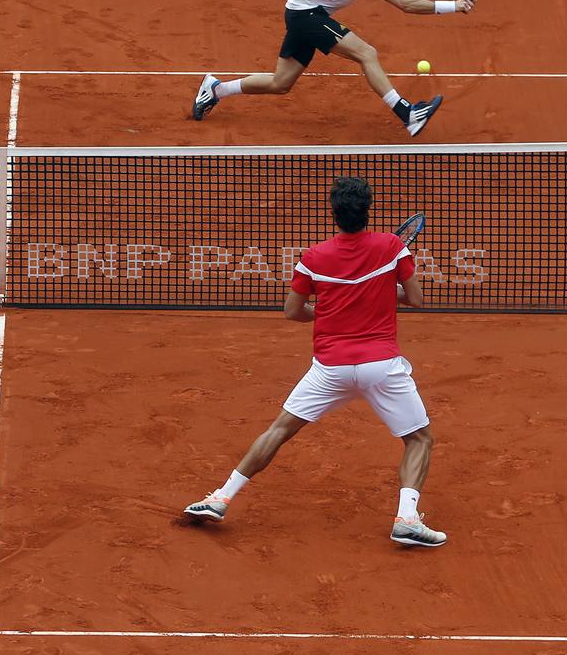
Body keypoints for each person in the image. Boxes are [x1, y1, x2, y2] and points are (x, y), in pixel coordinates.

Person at [183, 177, 446, 547]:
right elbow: (415, 298)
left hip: (330, 368)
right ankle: (407, 518)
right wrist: (381, 289)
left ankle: (220, 498)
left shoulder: (313, 257)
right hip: (381, 367)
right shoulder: (391, 247)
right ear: (366, 211)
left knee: (279, 430)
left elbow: (293, 311)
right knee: (419, 439)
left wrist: (328, 307)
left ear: (334, 214)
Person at [192, 0, 475, 137]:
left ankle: (215, 89)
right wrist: (454, 5)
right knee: (367, 53)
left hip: (298, 8)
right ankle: (407, 114)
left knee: (281, 84)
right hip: (307, 14)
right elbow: (406, 4)